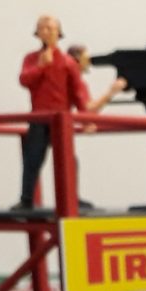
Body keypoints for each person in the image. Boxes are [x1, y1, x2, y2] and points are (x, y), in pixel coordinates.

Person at [15, 15, 120, 211]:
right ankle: (26, 199)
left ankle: (73, 197)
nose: (46, 32)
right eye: (42, 28)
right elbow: (24, 80)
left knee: (68, 160)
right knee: (33, 158)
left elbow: (78, 93)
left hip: (61, 120)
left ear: (58, 33)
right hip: (39, 118)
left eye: (50, 28)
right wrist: (41, 67)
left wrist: (86, 119)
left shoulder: (68, 63)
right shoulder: (31, 59)